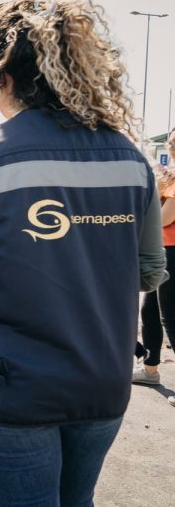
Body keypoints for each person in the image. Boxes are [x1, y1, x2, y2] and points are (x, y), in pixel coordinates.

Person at [0, 0, 168, 506]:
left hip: (12, 386)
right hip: (102, 381)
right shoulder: (132, 159)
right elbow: (149, 271)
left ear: (1, 75)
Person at [134, 127, 175, 405]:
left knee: (169, 315)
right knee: (150, 310)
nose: (170, 150)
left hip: (172, 249)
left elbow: (163, 219)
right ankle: (150, 369)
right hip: (165, 248)